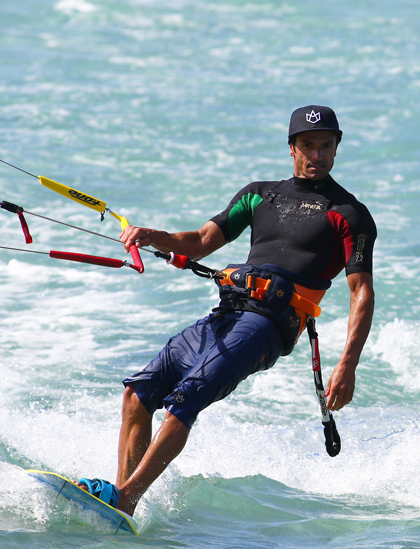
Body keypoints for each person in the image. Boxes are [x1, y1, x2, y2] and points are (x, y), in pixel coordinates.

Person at [77, 105, 377, 516]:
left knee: (188, 396)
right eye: (308, 145)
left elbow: (361, 291)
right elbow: (200, 241)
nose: (318, 155)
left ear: (337, 148)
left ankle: (126, 499)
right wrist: (152, 235)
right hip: (228, 313)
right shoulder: (259, 194)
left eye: (327, 146)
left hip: (270, 325)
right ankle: (119, 499)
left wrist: (348, 364)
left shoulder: (348, 214)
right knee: (138, 393)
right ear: (292, 148)